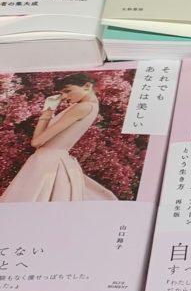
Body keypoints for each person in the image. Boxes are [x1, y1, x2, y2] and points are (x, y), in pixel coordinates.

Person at [0, 74, 117, 202]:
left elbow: (36, 142)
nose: (65, 96)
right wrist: (48, 111)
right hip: (51, 159)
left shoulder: (83, 107)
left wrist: (47, 112)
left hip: (48, 161)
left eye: (68, 91)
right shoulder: (88, 106)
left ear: (87, 86)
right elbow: (38, 140)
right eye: (62, 93)